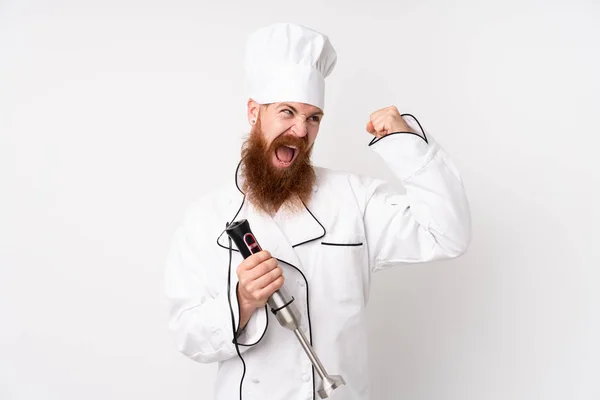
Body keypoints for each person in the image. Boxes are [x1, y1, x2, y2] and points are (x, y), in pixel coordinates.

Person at [164, 22, 471, 400]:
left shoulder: (354, 200)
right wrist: (242, 301)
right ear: (253, 113)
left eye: (313, 118)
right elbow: (187, 336)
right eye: (287, 112)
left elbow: (448, 234)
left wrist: (406, 144)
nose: (300, 130)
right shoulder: (206, 218)